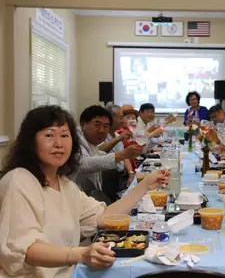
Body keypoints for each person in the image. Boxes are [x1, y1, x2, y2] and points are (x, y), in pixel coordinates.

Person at [0, 105, 170, 277]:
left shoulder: (66, 185)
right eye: (49, 135)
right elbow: (25, 249)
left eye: (65, 136)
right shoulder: (19, 180)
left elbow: (104, 216)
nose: (58, 144)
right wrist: (80, 254)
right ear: (31, 141)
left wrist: (145, 185)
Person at [69, 106, 142, 201]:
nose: (102, 130)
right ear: (83, 124)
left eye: (106, 126)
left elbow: (99, 154)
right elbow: (83, 164)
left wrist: (124, 156)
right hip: (73, 200)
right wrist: (121, 155)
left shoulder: (92, 142)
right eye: (97, 125)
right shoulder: (75, 139)